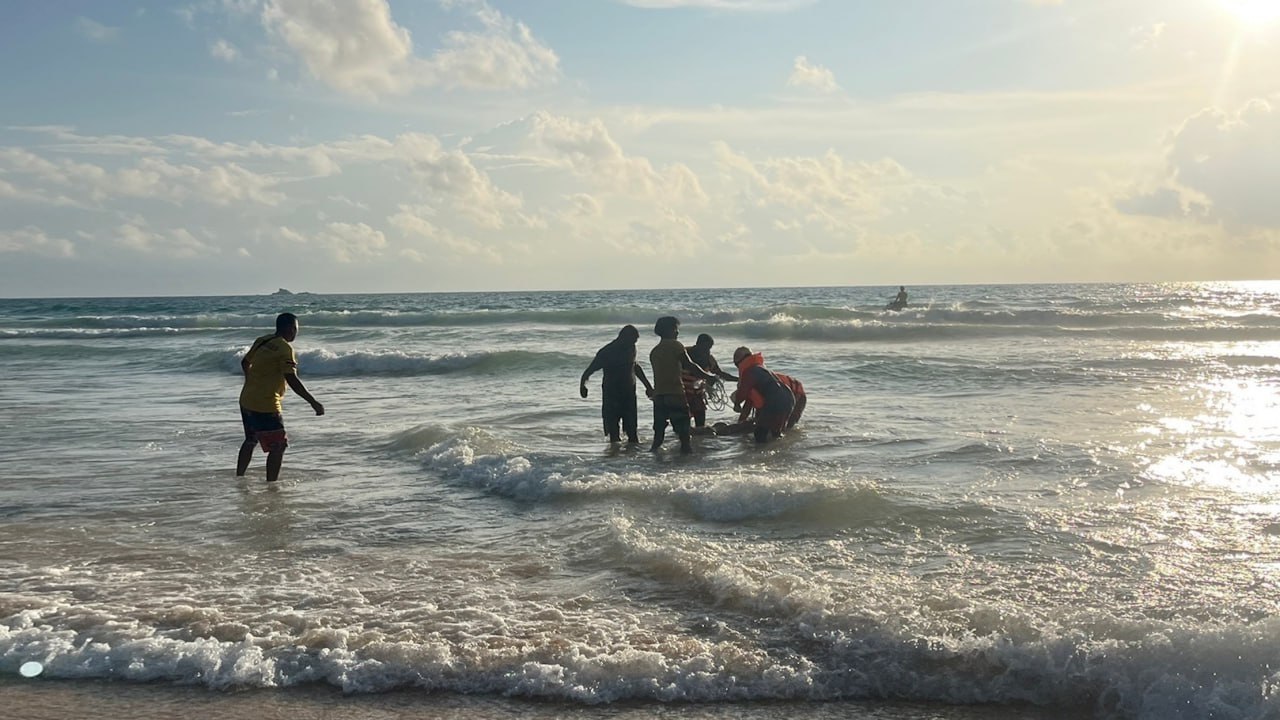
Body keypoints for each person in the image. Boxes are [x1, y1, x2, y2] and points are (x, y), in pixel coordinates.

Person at [236, 312, 324, 483]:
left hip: (247, 399)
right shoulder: (285, 349)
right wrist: (313, 402)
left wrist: (250, 382)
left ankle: (239, 477)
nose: (296, 332)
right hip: (266, 404)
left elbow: (245, 362)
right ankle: (271, 485)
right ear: (290, 329)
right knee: (278, 446)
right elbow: (291, 379)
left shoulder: (262, 340)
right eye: (296, 328)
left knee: (251, 439)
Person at [649, 316, 717, 453]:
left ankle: (653, 460)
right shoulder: (676, 346)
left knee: (658, 435)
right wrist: (708, 376)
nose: (677, 332)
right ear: (669, 330)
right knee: (684, 435)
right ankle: (687, 462)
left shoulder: (654, 351)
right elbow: (689, 365)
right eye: (675, 329)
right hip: (675, 394)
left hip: (659, 396)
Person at [580, 325, 654, 444]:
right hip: (612, 394)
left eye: (635, 341)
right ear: (623, 337)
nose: (634, 343)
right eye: (632, 340)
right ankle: (614, 454)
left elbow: (634, 366)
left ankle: (634, 453)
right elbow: (590, 370)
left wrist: (648, 387)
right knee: (613, 433)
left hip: (629, 394)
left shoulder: (631, 348)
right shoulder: (607, 352)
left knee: (632, 431)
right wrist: (583, 385)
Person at [730, 346, 795, 444]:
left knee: (760, 434)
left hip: (776, 400)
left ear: (739, 361)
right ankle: (782, 450)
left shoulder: (749, 372)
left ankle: (762, 453)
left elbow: (742, 394)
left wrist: (737, 403)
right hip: (789, 398)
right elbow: (749, 402)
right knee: (775, 433)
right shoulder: (761, 369)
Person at [683, 333, 738, 428]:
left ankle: (699, 437)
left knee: (700, 423)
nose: (707, 350)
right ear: (698, 344)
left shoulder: (709, 359)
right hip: (682, 393)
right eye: (705, 347)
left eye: (709, 348)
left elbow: (720, 374)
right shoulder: (684, 354)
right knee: (683, 424)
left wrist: (738, 379)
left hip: (698, 394)